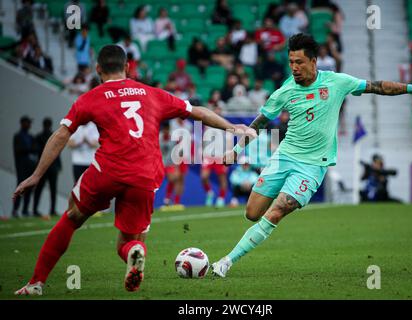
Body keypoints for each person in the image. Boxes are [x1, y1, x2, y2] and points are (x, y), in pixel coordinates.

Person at [13, 44, 253, 295]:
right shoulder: (152, 93)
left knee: (73, 217)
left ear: (98, 69)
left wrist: (36, 175)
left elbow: (62, 135)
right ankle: (134, 253)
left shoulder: (90, 98)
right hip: (145, 174)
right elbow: (198, 112)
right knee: (128, 242)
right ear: (127, 67)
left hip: (108, 170)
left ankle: (36, 283)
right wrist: (234, 128)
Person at [211, 33, 412, 278]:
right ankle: (279, 194)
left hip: (311, 166)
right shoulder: (285, 91)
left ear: (314, 61)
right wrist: (235, 151)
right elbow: (258, 123)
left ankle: (227, 261)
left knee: (276, 211)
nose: (294, 68)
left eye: (299, 62)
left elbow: (377, 86)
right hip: (284, 157)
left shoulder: (337, 82)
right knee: (251, 213)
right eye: (291, 62)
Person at [201, 106, 233, 208]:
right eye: (215, 110)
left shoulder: (225, 124)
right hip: (208, 155)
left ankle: (221, 198)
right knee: (204, 177)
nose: (217, 112)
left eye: (219, 110)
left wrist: (227, 156)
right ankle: (209, 193)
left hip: (220, 156)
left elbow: (229, 141)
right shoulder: (208, 124)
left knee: (222, 178)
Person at [32, 118, 61, 218]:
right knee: (52, 189)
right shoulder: (53, 136)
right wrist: (58, 165)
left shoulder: (39, 136)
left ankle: (35, 209)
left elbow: (36, 151)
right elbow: (58, 151)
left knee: (40, 189)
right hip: (52, 166)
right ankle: (51, 209)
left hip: (45, 166)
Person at [12, 116, 37, 218]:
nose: (29, 125)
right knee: (20, 187)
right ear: (22, 123)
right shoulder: (17, 136)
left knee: (29, 188)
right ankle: (15, 209)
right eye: (28, 123)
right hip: (21, 166)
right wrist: (29, 149)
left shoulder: (31, 136)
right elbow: (19, 150)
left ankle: (25, 210)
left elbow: (35, 149)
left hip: (30, 166)